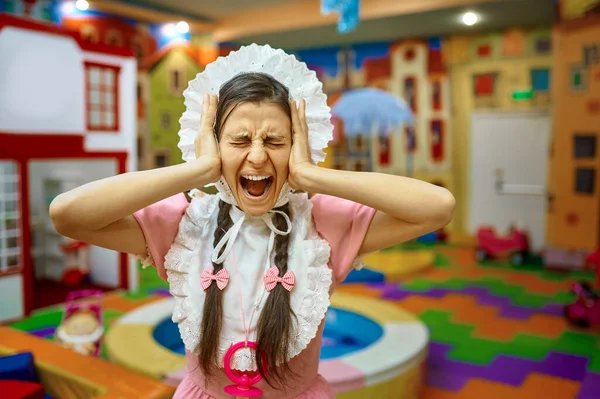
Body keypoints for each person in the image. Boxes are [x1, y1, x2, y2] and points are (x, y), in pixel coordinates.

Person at [50, 44, 455, 399]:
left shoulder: (322, 224)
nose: (258, 157)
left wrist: (313, 175)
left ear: (297, 146)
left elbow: (437, 207)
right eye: (240, 141)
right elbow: (67, 215)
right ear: (213, 142)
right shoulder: (184, 225)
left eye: (275, 142)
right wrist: (198, 170)